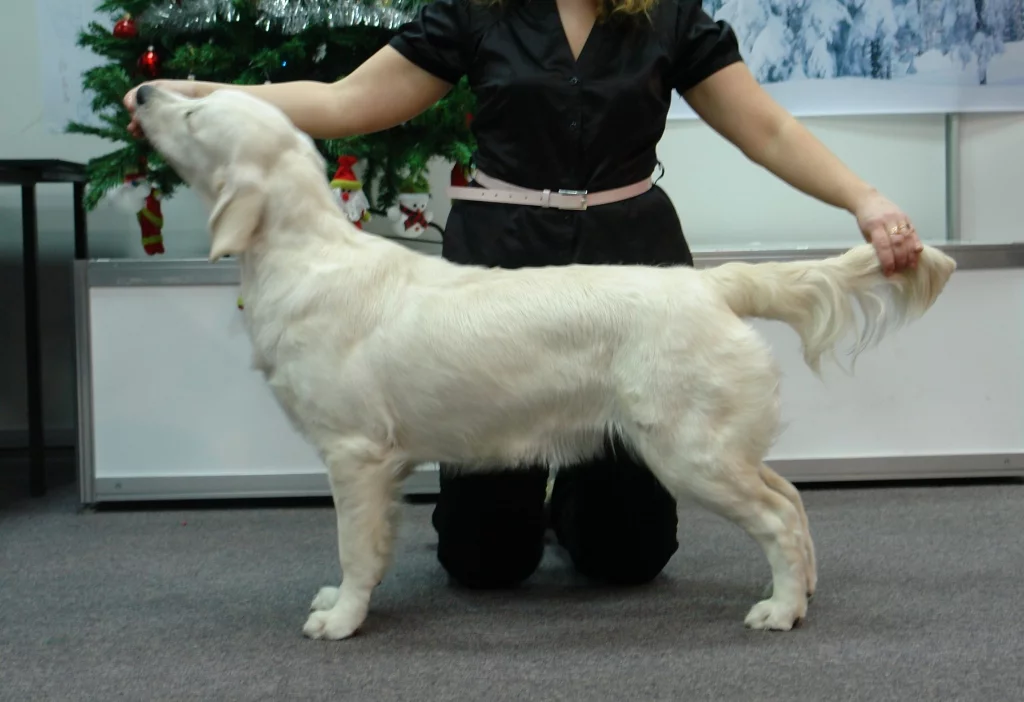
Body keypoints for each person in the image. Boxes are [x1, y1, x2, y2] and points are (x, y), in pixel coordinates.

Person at [124, 0, 923, 590]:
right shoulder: (476, 9)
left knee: (626, 560)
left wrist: (866, 199)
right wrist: (200, 96)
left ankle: (582, 498)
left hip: (630, 269)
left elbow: (770, 130)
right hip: (496, 273)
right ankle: (520, 502)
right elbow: (344, 102)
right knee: (484, 565)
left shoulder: (668, 14)